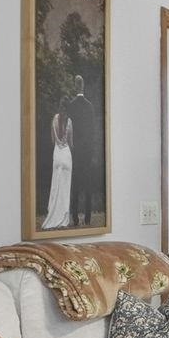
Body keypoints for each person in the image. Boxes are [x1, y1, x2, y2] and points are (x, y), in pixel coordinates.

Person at [61, 72, 102, 226]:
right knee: (88, 185)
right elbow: (92, 131)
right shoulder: (89, 106)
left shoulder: (71, 106)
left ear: (75, 86)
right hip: (87, 152)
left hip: (74, 151)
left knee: (75, 185)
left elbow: (67, 130)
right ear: (83, 87)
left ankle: (75, 218)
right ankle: (88, 218)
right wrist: (92, 152)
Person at [41, 110, 74, 230]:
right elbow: (70, 141)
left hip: (57, 154)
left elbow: (52, 139)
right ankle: (64, 219)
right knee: (65, 188)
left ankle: (53, 214)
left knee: (55, 186)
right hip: (66, 154)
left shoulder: (54, 119)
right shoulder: (69, 121)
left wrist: (58, 143)